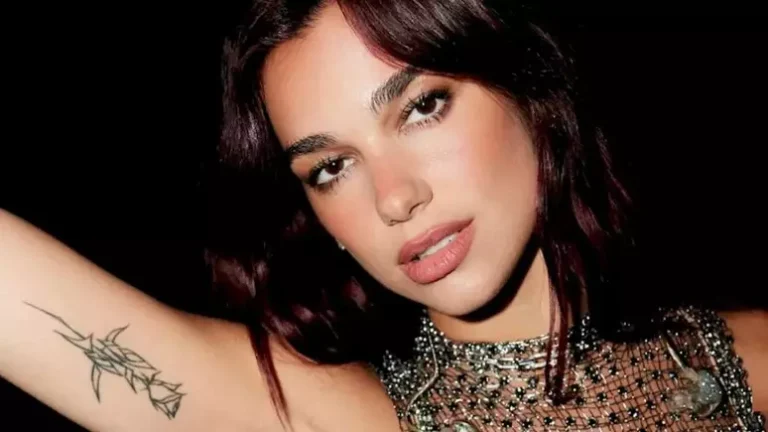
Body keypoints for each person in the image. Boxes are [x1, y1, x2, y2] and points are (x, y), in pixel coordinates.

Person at [2, 1, 766, 431]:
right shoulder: (333, 419)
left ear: (530, 93)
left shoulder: (749, 358)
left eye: (421, 108)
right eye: (330, 168)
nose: (394, 199)